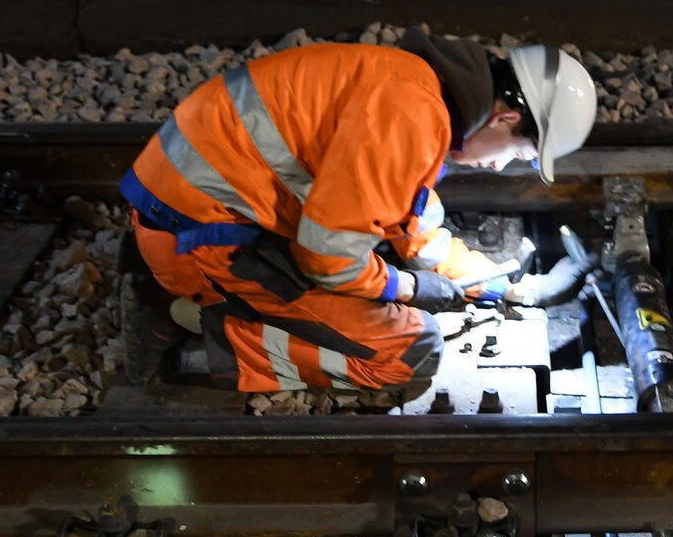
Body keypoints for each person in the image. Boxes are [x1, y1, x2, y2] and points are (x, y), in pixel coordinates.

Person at [117, 29, 598, 392]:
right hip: (199, 238)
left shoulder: (419, 89)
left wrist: (501, 286)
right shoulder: (414, 118)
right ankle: (190, 327)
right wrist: (406, 286)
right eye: (519, 155)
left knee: (384, 264)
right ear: (506, 118)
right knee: (408, 352)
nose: (500, 166)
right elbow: (327, 260)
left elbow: (409, 217)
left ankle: (178, 292)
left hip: (194, 204)